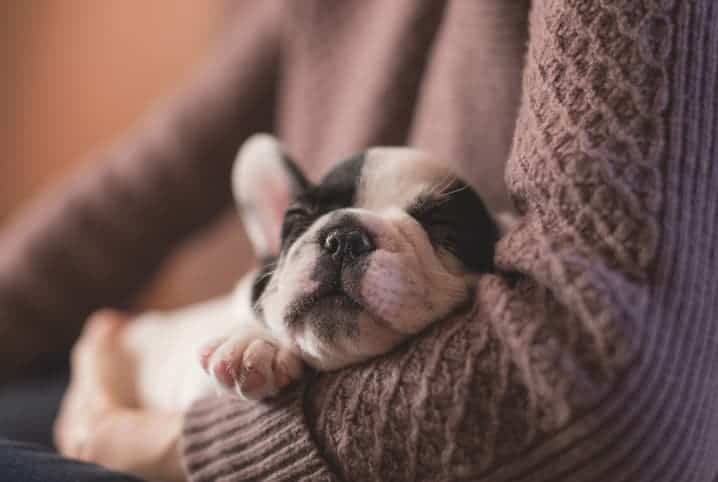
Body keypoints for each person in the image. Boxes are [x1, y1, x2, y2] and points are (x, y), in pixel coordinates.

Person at [2, 1, 718, 481]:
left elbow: (605, 392)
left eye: (434, 231)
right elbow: (133, 192)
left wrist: (159, 445)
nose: (345, 242)